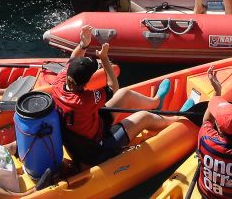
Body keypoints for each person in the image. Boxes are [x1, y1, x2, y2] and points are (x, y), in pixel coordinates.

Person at [52, 23, 168, 169]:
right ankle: (177, 121)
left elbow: (73, 59)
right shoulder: (84, 101)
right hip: (96, 148)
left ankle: (156, 103)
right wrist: (104, 58)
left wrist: (83, 44)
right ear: (87, 80)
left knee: (125, 94)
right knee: (144, 117)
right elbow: (113, 87)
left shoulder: (59, 82)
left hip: (88, 129)